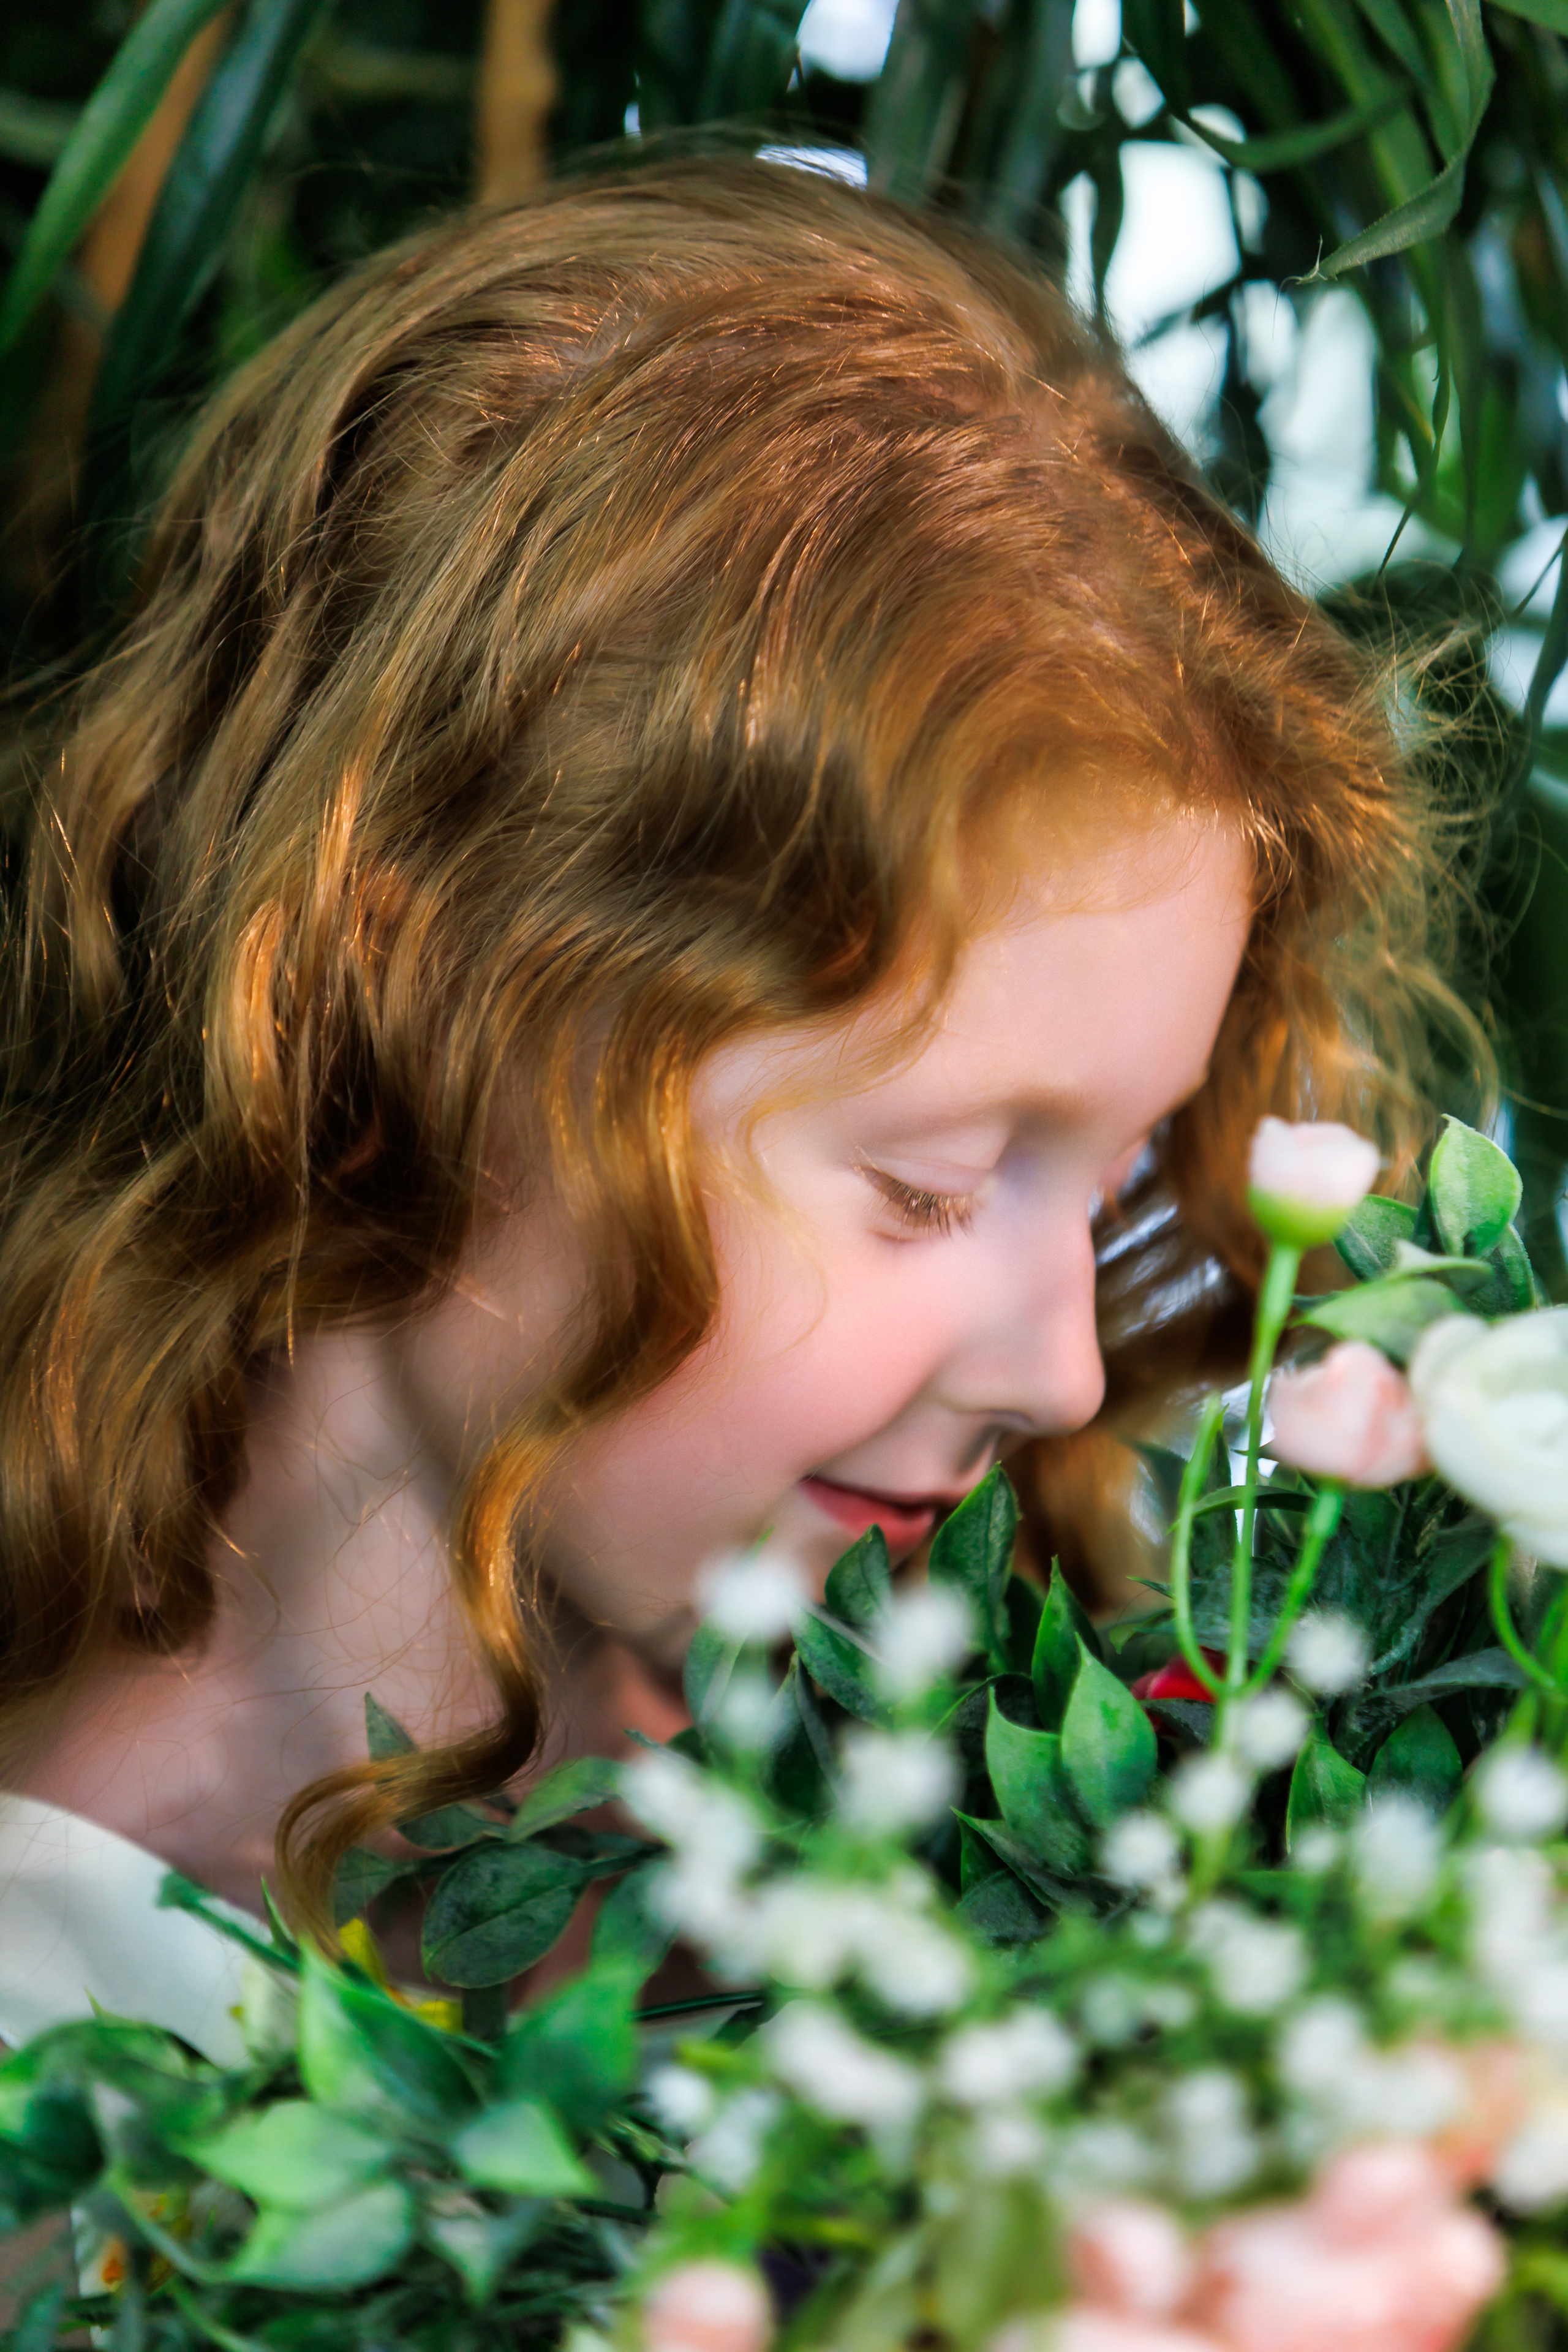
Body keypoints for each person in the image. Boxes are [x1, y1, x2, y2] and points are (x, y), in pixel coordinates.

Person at [0, 157, 1476, 2042]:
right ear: (416, 997)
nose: (1065, 1374)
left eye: (1110, 1187)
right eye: (931, 1190)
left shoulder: (903, 1855)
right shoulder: (86, 2109)